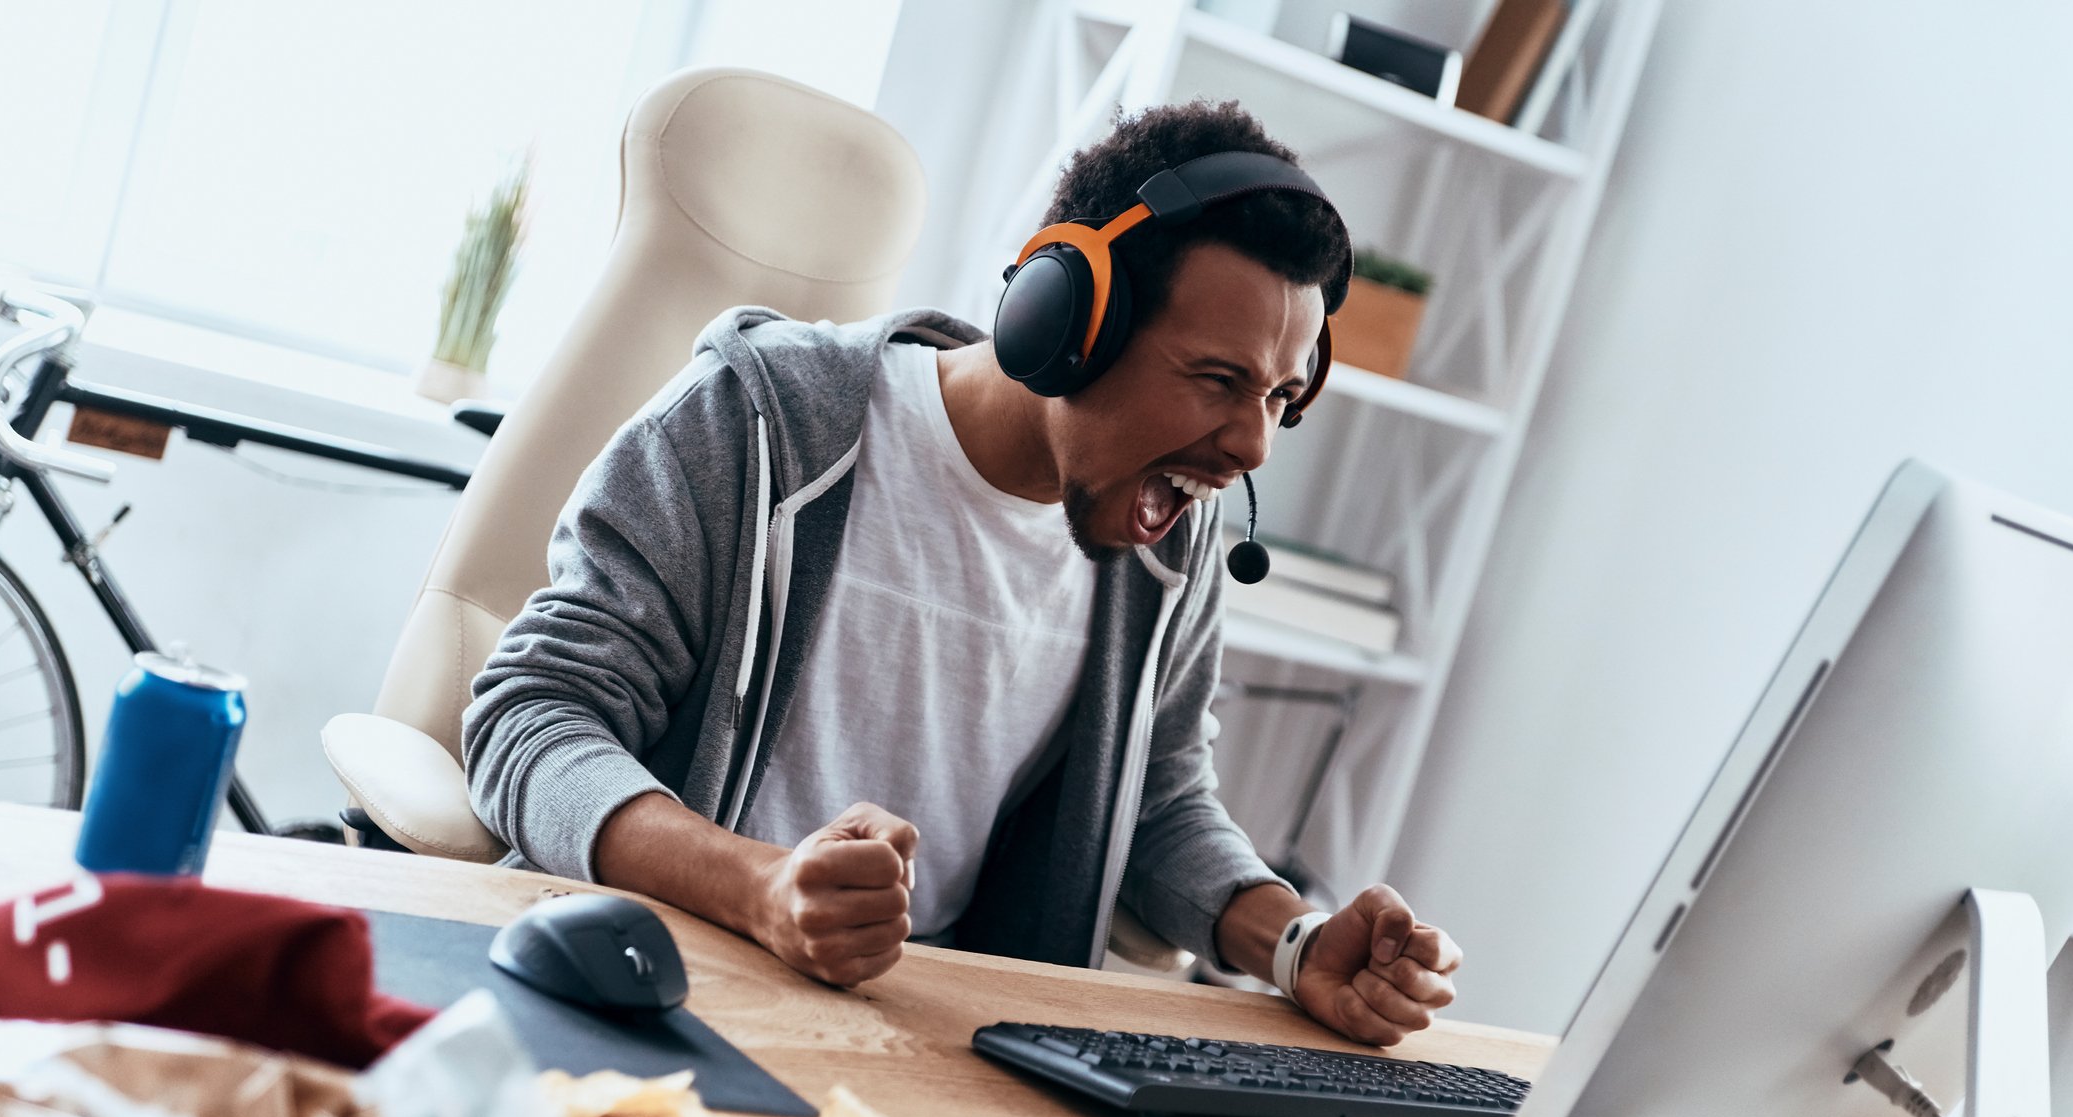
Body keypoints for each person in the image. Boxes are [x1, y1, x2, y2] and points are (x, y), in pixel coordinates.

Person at [464, 99, 1462, 1047]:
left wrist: (1290, 941)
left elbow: (1153, 801)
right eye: (1218, 380)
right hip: (656, 976)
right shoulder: (759, 421)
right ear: (1063, 320)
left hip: (929, 1040)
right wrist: (760, 889)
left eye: (1282, 396)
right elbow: (530, 717)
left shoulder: (1166, 538)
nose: (1251, 444)